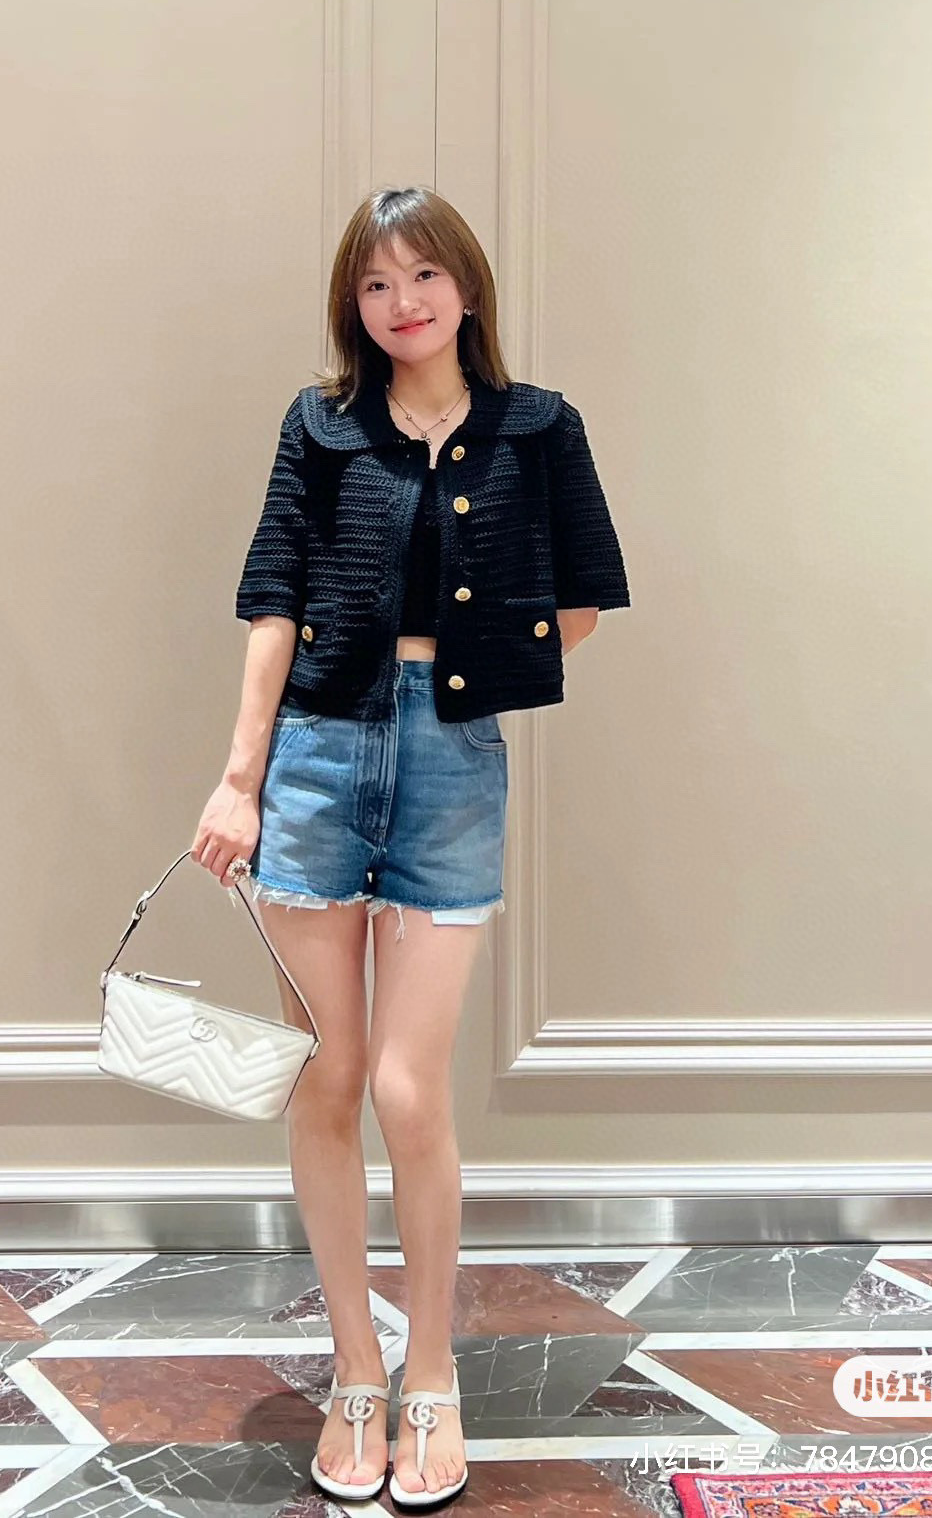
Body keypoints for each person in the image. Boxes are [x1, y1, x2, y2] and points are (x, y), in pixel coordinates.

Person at [190, 185, 629, 1508]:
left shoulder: (538, 428)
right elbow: (274, 599)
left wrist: (469, 656)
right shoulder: (321, 424)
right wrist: (239, 781)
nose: (402, 303)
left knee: (407, 1088)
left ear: (466, 286)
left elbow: (585, 599)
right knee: (325, 1080)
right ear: (356, 303)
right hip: (315, 758)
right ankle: (356, 1369)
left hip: (450, 761)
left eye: (423, 276)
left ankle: (431, 1368)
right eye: (376, 283)